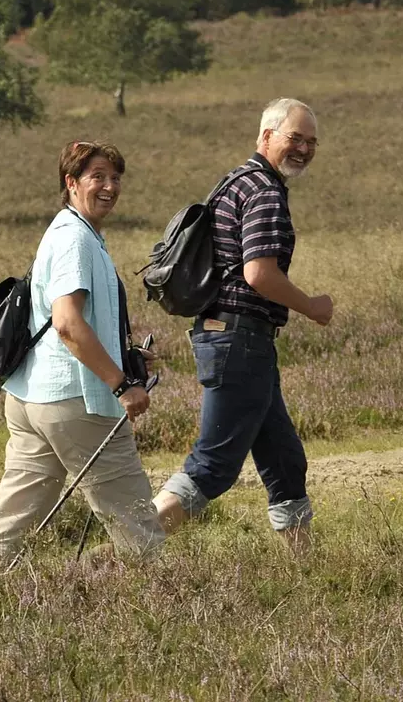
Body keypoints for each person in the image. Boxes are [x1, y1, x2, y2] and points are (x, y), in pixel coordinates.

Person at [153, 98, 333, 554]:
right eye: (296, 137)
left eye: (312, 141)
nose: (305, 148)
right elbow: (259, 273)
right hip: (240, 341)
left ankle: (307, 567)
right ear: (266, 136)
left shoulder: (234, 182)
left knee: (284, 460)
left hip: (231, 338)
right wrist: (311, 306)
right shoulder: (266, 191)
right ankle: (122, 555)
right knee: (213, 466)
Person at [0, 141, 164, 564]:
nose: (109, 186)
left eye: (115, 178)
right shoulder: (74, 240)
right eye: (97, 176)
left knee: (14, 518)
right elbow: (66, 322)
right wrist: (122, 385)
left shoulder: (73, 232)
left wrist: (123, 353)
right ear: (71, 182)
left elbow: (73, 322)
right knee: (133, 516)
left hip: (31, 398)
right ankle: (165, 603)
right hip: (75, 401)